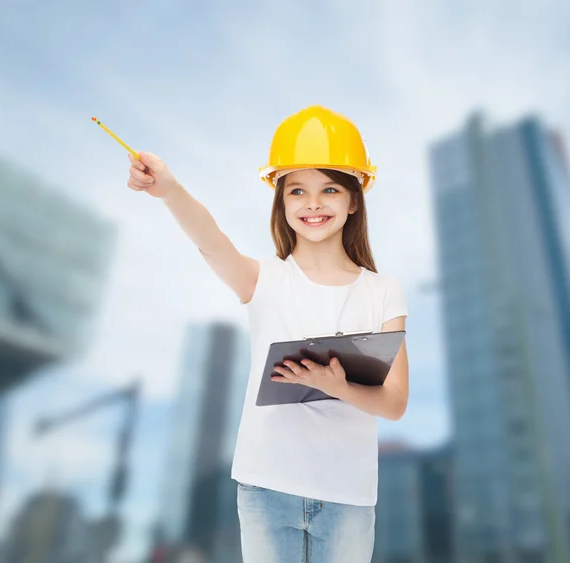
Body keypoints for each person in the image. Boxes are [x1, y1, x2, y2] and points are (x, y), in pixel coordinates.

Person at [126, 105, 409, 563]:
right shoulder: (263, 281)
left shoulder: (382, 292)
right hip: (266, 487)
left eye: (329, 189)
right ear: (281, 200)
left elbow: (395, 402)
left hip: (349, 494)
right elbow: (210, 240)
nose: (312, 204)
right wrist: (168, 189)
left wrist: (337, 386)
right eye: (296, 190)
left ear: (354, 198)